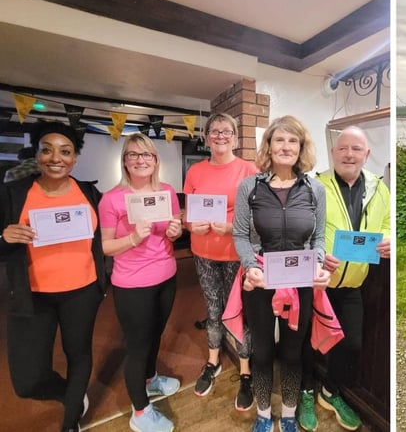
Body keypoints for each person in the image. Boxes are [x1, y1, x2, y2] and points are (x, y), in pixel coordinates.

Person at [0, 121, 106, 432]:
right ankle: (66, 393)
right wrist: (3, 237)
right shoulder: (13, 194)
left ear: (75, 158)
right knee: (28, 380)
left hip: (82, 292)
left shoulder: (89, 193)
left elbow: (106, 237)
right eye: (47, 150)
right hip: (32, 295)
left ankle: (71, 417)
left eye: (65, 151)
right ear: (37, 154)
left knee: (79, 355)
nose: (55, 158)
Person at [233, 115, 331, 432]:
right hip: (261, 281)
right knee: (262, 353)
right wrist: (250, 266)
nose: (286, 146)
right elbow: (239, 236)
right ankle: (264, 415)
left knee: (291, 353)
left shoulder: (315, 189)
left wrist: (317, 262)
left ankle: (287, 415)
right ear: (269, 146)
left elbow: (317, 239)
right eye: (280, 140)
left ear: (301, 147)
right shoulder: (250, 187)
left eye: (293, 141)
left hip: (301, 283)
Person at [297, 126, 390, 431]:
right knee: (307, 343)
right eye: (343, 148)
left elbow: (388, 223)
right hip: (317, 284)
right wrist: (317, 254)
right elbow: (299, 232)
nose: (349, 154)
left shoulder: (379, 187)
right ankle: (307, 392)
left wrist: (390, 240)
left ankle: (330, 391)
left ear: (367, 154)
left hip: (353, 284)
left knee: (351, 343)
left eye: (356, 149)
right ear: (333, 153)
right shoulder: (313, 186)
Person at [98, 133, 183, 432]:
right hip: (132, 284)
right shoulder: (111, 199)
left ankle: (150, 379)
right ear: (124, 161)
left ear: (155, 160)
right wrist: (133, 238)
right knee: (138, 344)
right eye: (133, 154)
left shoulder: (167, 192)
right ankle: (140, 411)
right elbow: (105, 246)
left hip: (167, 276)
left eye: (146, 154)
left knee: (155, 335)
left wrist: (175, 230)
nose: (140, 159)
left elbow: (173, 231)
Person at [183, 113, 257, 404]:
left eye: (226, 131)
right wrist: (191, 225)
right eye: (214, 131)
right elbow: (187, 214)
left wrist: (232, 228)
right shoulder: (195, 172)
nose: (220, 136)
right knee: (213, 310)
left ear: (235, 138)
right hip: (203, 253)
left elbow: (257, 217)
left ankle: (246, 370)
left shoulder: (249, 170)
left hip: (235, 253)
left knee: (238, 312)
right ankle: (213, 361)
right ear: (206, 137)